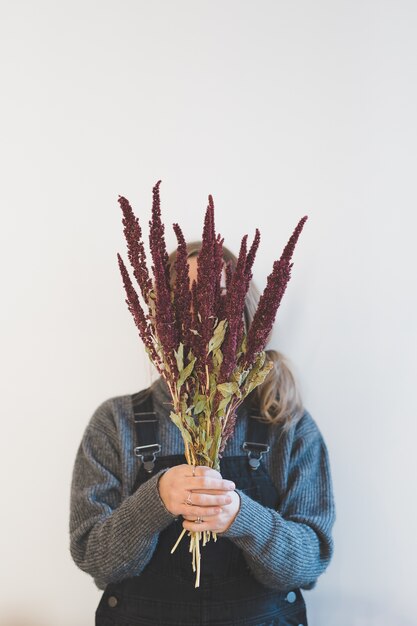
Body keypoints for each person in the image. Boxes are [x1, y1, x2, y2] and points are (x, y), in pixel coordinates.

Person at [70, 242, 336, 626]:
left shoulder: (286, 425)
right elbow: (96, 560)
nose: (201, 314)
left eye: (218, 299)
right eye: (184, 300)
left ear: (242, 316)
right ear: (161, 317)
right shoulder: (116, 423)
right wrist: (155, 501)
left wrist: (243, 517)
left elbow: (307, 567)